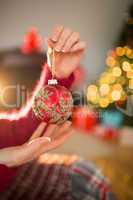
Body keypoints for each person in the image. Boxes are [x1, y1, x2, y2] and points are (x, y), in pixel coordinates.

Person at [0, 25, 116, 200]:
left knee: (87, 177)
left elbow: (16, 130)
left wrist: (57, 76)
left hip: (13, 171)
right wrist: (5, 157)